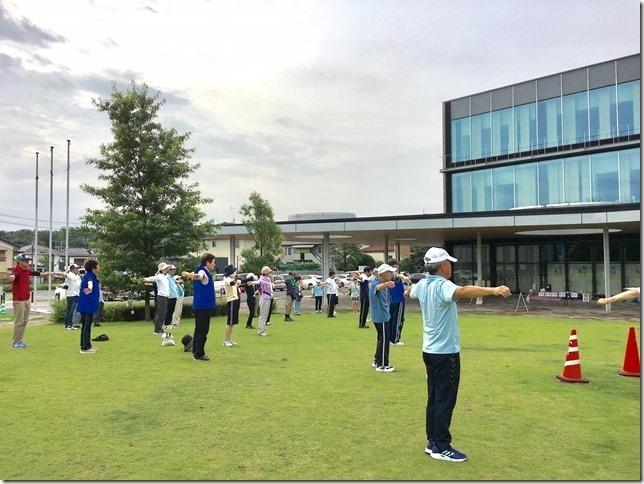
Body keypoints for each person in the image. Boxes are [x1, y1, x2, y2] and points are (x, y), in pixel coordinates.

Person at [408, 247, 511, 462]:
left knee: (435, 397)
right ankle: (441, 446)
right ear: (442, 265)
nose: (451, 267)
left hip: (429, 351)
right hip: (446, 353)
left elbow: (410, 292)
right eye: (449, 263)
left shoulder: (423, 284)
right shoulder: (442, 285)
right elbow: (462, 291)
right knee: (444, 399)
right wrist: (493, 290)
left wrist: (409, 285)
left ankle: (433, 442)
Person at [8, 253, 54, 349]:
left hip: (26, 299)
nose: (28, 262)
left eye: (28, 261)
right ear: (20, 261)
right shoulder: (16, 270)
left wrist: (49, 273)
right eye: (26, 261)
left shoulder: (26, 271)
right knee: (19, 321)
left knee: (24, 321)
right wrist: (12, 277)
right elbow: (14, 275)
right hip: (19, 300)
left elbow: (37, 273)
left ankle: (19, 340)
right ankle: (15, 342)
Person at [181, 253, 217, 361]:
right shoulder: (202, 272)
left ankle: (195, 350)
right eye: (213, 262)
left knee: (198, 330)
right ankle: (198, 354)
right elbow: (199, 276)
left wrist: (189, 274)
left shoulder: (199, 270)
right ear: (207, 262)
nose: (214, 264)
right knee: (203, 331)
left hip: (199, 306)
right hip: (203, 306)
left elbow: (196, 275)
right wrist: (192, 275)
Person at [369, 264, 397, 372]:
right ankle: (383, 364)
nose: (392, 274)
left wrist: (386, 284)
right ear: (384, 273)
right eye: (390, 272)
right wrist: (386, 284)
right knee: (384, 340)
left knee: (381, 339)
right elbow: (377, 288)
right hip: (381, 317)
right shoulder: (376, 282)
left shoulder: (379, 281)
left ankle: (377, 360)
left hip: (382, 316)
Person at [76, 259, 101, 354]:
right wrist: (90, 288)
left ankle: (87, 345)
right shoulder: (90, 276)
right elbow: (90, 283)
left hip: (87, 304)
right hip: (87, 304)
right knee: (87, 326)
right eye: (97, 265)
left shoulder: (90, 275)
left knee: (86, 326)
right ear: (93, 267)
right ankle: (85, 348)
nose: (99, 267)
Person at [387, 259, 410, 346]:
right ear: (394, 265)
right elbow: (397, 276)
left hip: (391, 300)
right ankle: (395, 340)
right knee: (398, 320)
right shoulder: (393, 273)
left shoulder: (387, 274)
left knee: (391, 319)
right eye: (397, 265)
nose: (398, 266)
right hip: (398, 300)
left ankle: (390, 339)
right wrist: (404, 277)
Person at [144, 262, 170, 335]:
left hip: (165, 297)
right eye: (165, 268)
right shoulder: (160, 276)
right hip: (161, 297)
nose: (166, 269)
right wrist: (145, 279)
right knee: (160, 313)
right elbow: (153, 278)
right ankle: (157, 330)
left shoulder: (165, 276)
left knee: (163, 313)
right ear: (162, 270)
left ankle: (160, 328)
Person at [222, 264, 240, 347]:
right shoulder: (227, 279)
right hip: (231, 301)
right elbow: (232, 283)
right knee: (229, 322)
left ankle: (229, 339)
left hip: (235, 300)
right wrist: (236, 281)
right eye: (234, 271)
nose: (235, 272)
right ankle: (226, 340)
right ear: (230, 273)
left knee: (232, 322)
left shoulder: (231, 278)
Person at [63, 264, 81, 330]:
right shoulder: (70, 275)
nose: (77, 270)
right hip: (71, 295)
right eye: (76, 269)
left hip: (76, 294)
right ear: (72, 269)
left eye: (77, 268)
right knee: (70, 310)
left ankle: (70, 324)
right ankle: (69, 325)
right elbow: (64, 274)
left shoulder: (77, 276)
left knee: (72, 310)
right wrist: (55, 272)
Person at [257, 266, 273, 336]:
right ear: (266, 272)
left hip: (267, 297)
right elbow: (259, 282)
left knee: (265, 315)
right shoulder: (263, 279)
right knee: (263, 315)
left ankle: (262, 329)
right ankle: (261, 330)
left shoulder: (267, 279)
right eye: (269, 272)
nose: (271, 273)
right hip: (264, 297)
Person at [165, 265, 179, 329]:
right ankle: (167, 324)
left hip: (174, 296)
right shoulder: (167, 277)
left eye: (174, 269)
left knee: (172, 311)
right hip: (170, 296)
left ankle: (169, 323)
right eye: (172, 269)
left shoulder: (172, 277)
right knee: (169, 310)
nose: (174, 271)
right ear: (169, 270)